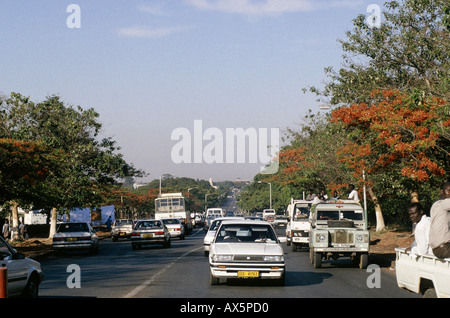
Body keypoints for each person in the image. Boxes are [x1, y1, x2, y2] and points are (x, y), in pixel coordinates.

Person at [429, 182, 450, 259]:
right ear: (441, 192)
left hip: (439, 248)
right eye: (449, 191)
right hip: (444, 248)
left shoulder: (436, 205)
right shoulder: (443, 203)